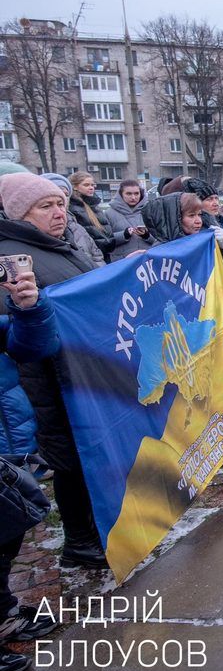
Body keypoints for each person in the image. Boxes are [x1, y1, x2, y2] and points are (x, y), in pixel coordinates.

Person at [0, 173, 102, 571]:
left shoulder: (54, 246)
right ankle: (80, 542)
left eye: (61, 203)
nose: (59, 212)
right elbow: (14, 329)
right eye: (46, 206)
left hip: (79, 370)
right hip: (47, 380)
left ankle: (93, 532)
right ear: (21, 212)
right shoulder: (11, 256)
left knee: (83, 455)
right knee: (69, 460)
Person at [0, 266, 60, 671]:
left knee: (8, 533)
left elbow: (35, 346)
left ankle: (3, 610)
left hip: (9, 436)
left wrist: (27, 308)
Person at [40, 174, 105, 267]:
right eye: (86, 185)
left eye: (66, 195)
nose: (62, 199)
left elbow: (97, 256)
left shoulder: (76, 227)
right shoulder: (76, 211)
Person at [66, 172, 115, 262]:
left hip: (105, 254)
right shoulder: (73, 208)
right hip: (92, 257)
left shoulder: (94, 205)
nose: (91, 188)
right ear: (75, 187)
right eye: (86, 185)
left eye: (92, 185)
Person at [105, 179, 155, 259]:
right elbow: (105, 241)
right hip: (122, 263)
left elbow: (161, 239)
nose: (133, 197)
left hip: (147, 262)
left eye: (136, 193)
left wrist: (147, 235)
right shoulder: (109, 213)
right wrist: (124, 235)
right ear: (121, 194)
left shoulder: (150, 210)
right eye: (129, 194)